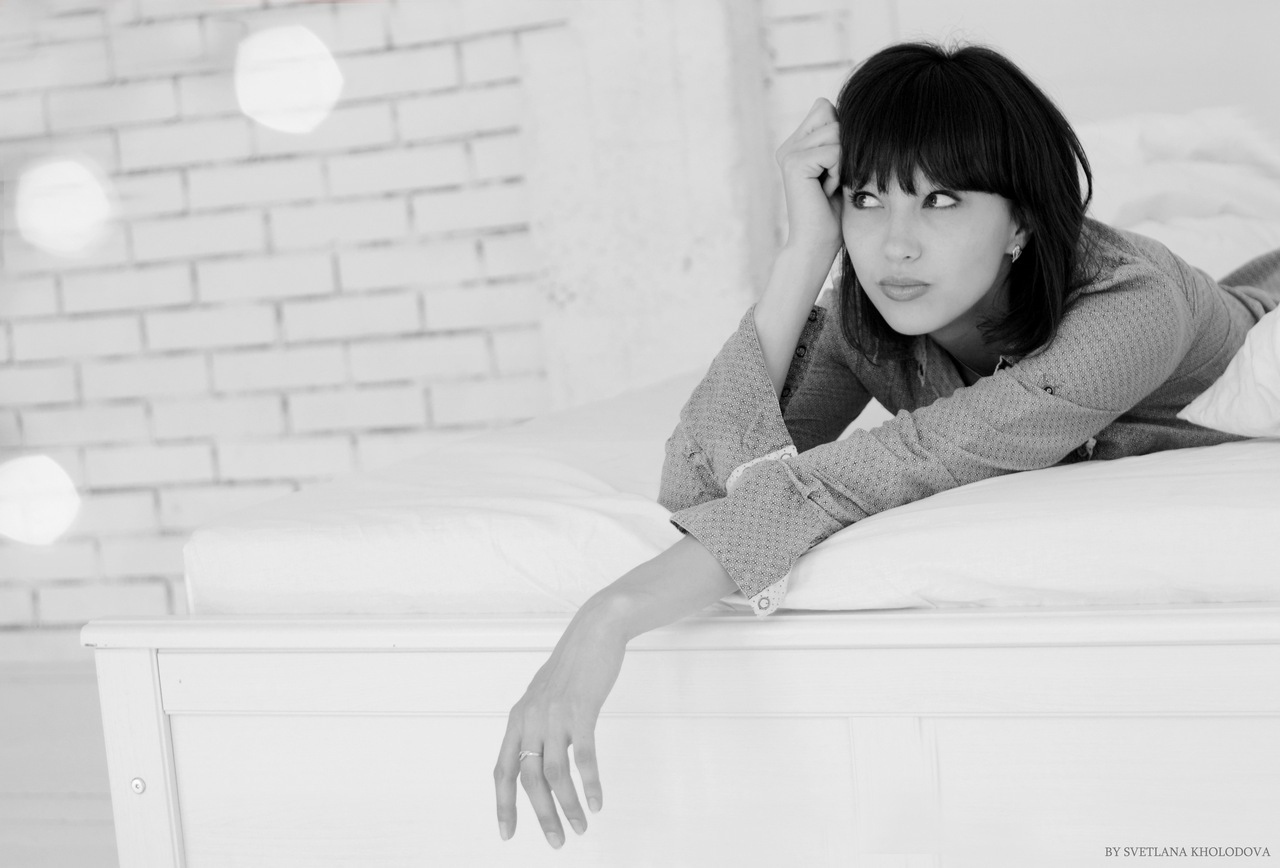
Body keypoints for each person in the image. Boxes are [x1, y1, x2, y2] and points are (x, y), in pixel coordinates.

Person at [491, 41, 1280, 849]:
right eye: (867, 198)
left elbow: (881, 468)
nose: (895, 246)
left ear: (1021, 223)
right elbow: (701, 482)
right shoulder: (871, 315)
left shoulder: (1130, 307)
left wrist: (611, 613)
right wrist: (803, 252)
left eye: (940, 200)